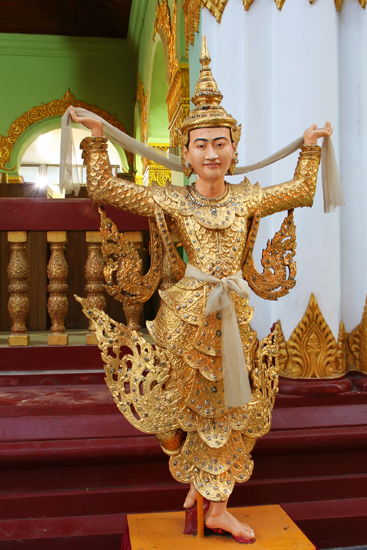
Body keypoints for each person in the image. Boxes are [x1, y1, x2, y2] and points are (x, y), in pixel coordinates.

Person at [69, 38, 332, 543]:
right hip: (184, 314)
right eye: (201, 144)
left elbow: (300, 191)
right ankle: (197, 479)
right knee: (167, 408)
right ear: (185, 154)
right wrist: (99, 140)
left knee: (233, 412)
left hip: (232, 313)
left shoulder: (249, 197)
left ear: (234, 150)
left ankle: (216, 506)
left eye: (220, 142)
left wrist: (312, 145)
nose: (211, 152)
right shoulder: (172, 199)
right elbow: (106, 190)